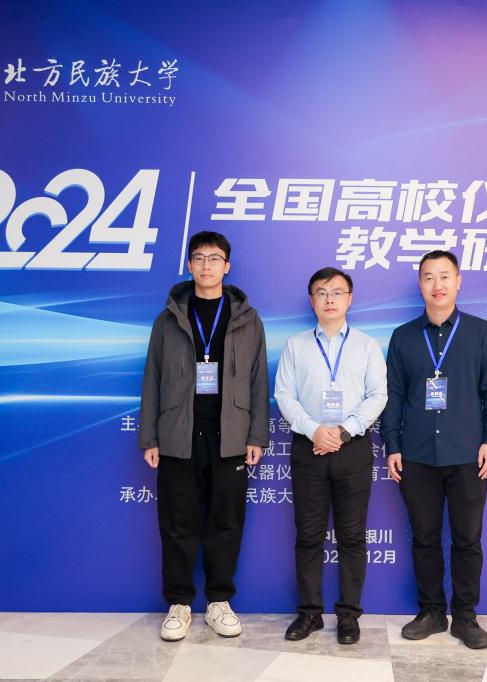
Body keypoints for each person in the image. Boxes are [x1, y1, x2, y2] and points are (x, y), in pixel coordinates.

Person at [138, 231, 269, 641]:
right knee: (178, 522)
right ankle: (178, 604)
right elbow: (152, 379)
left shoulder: (247, 319)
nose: (207, 265)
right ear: (190, 265)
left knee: (225, 522)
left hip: (230, 436)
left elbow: (258, 381)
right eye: (199, 258)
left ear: (227, 266)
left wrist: (256, 435)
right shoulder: (168, 319)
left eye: (214, 258)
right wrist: (150, 437)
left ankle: (218, 602)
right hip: (178, 436)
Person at [381, 250, 487, 650]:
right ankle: (432, 611)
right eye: (429, 277)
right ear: (420, 284)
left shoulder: (480, 332)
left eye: (444, 276)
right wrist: (392, 445)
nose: (437, 285)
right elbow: (392, 396)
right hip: (416, 454)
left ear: (458, 281)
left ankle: (465, 617)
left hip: (468, 454)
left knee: (467, 540)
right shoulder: (403, 337)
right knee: (424, 538)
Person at [274, 267, 388, 644]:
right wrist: (314, 430)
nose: (329, 299)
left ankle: (349, 615)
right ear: (311, 300)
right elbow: (284, 395)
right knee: (309, 535)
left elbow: (378, 395)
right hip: (309, 448)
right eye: (321, 293)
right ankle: (309, 613)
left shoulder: (367, 346)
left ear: (349, 299)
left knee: (352, 536)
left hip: (352, 449)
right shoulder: (296, 346)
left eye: (337, 292)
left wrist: (343, 431)